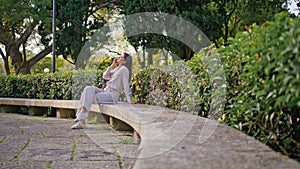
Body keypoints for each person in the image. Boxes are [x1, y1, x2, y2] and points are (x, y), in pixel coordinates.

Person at [71, 52, 135, 129]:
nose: (118, 58)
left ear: (125, 61)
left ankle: (82, 119)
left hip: (112, 95)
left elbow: (126, 85)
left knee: (89, 95)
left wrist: (129, 99)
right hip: (105, 91)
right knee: (88, 89)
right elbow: (105, 76)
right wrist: (112, 66)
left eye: (121, 57)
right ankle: (82, 115)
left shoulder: (124, 70)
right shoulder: (117, 68)